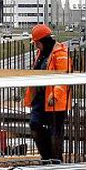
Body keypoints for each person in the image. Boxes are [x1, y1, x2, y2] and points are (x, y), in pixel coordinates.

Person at [23, 24, 72, 162]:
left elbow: (64, 77)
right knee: (35, 124)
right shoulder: (41, 54)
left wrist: (55, 95)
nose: (36, 46)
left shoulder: (60, 54)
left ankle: (56, 160)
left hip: (56, 101)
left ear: (43, 40)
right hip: (40, 99)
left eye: (37, 43)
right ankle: (46, 157)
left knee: (55, 132)